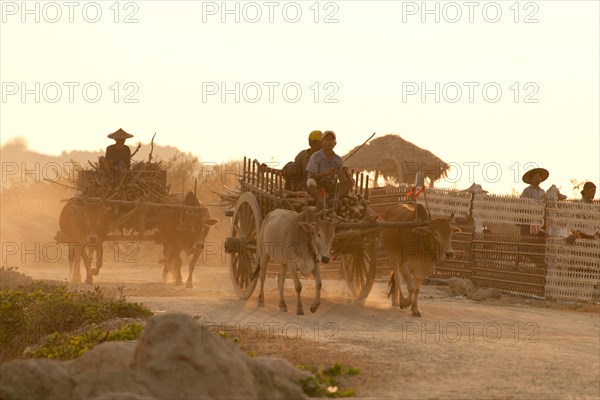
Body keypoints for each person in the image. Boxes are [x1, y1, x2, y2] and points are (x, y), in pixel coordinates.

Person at [306, 130, 354, 208]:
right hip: (319, 185)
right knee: (310, 182)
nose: (330, 142)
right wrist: (325, 173)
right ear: (322, 142)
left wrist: (347, 173)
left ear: (335, 143)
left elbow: (342, 179)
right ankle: (320, 200)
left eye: (332, 140)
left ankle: (334, 199)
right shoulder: (315, 157)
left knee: (351, 181)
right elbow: (310, 177)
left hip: (332, 186)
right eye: (327, 139)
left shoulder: (338, 159)